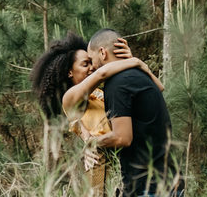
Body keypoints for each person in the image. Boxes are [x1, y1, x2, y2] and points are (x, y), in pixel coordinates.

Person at [30, 32, 164, 196]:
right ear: (70, 72)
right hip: (98, 163)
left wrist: (143, 68)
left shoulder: (100, 93)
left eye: (91, 62)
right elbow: (102, 73)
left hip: (122, 162)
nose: (92, 67)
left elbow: (158, 89)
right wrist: (134, 61)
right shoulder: (70, 98)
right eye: (85, 64)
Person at [86, 28, 180, 197]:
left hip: (148, 187)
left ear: (102, 53)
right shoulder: (139, 75)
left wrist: (91, 142)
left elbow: (122, 137)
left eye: (91, 60)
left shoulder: (116, 84)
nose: (92, 67)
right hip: (170, 181)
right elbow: (160, 88)